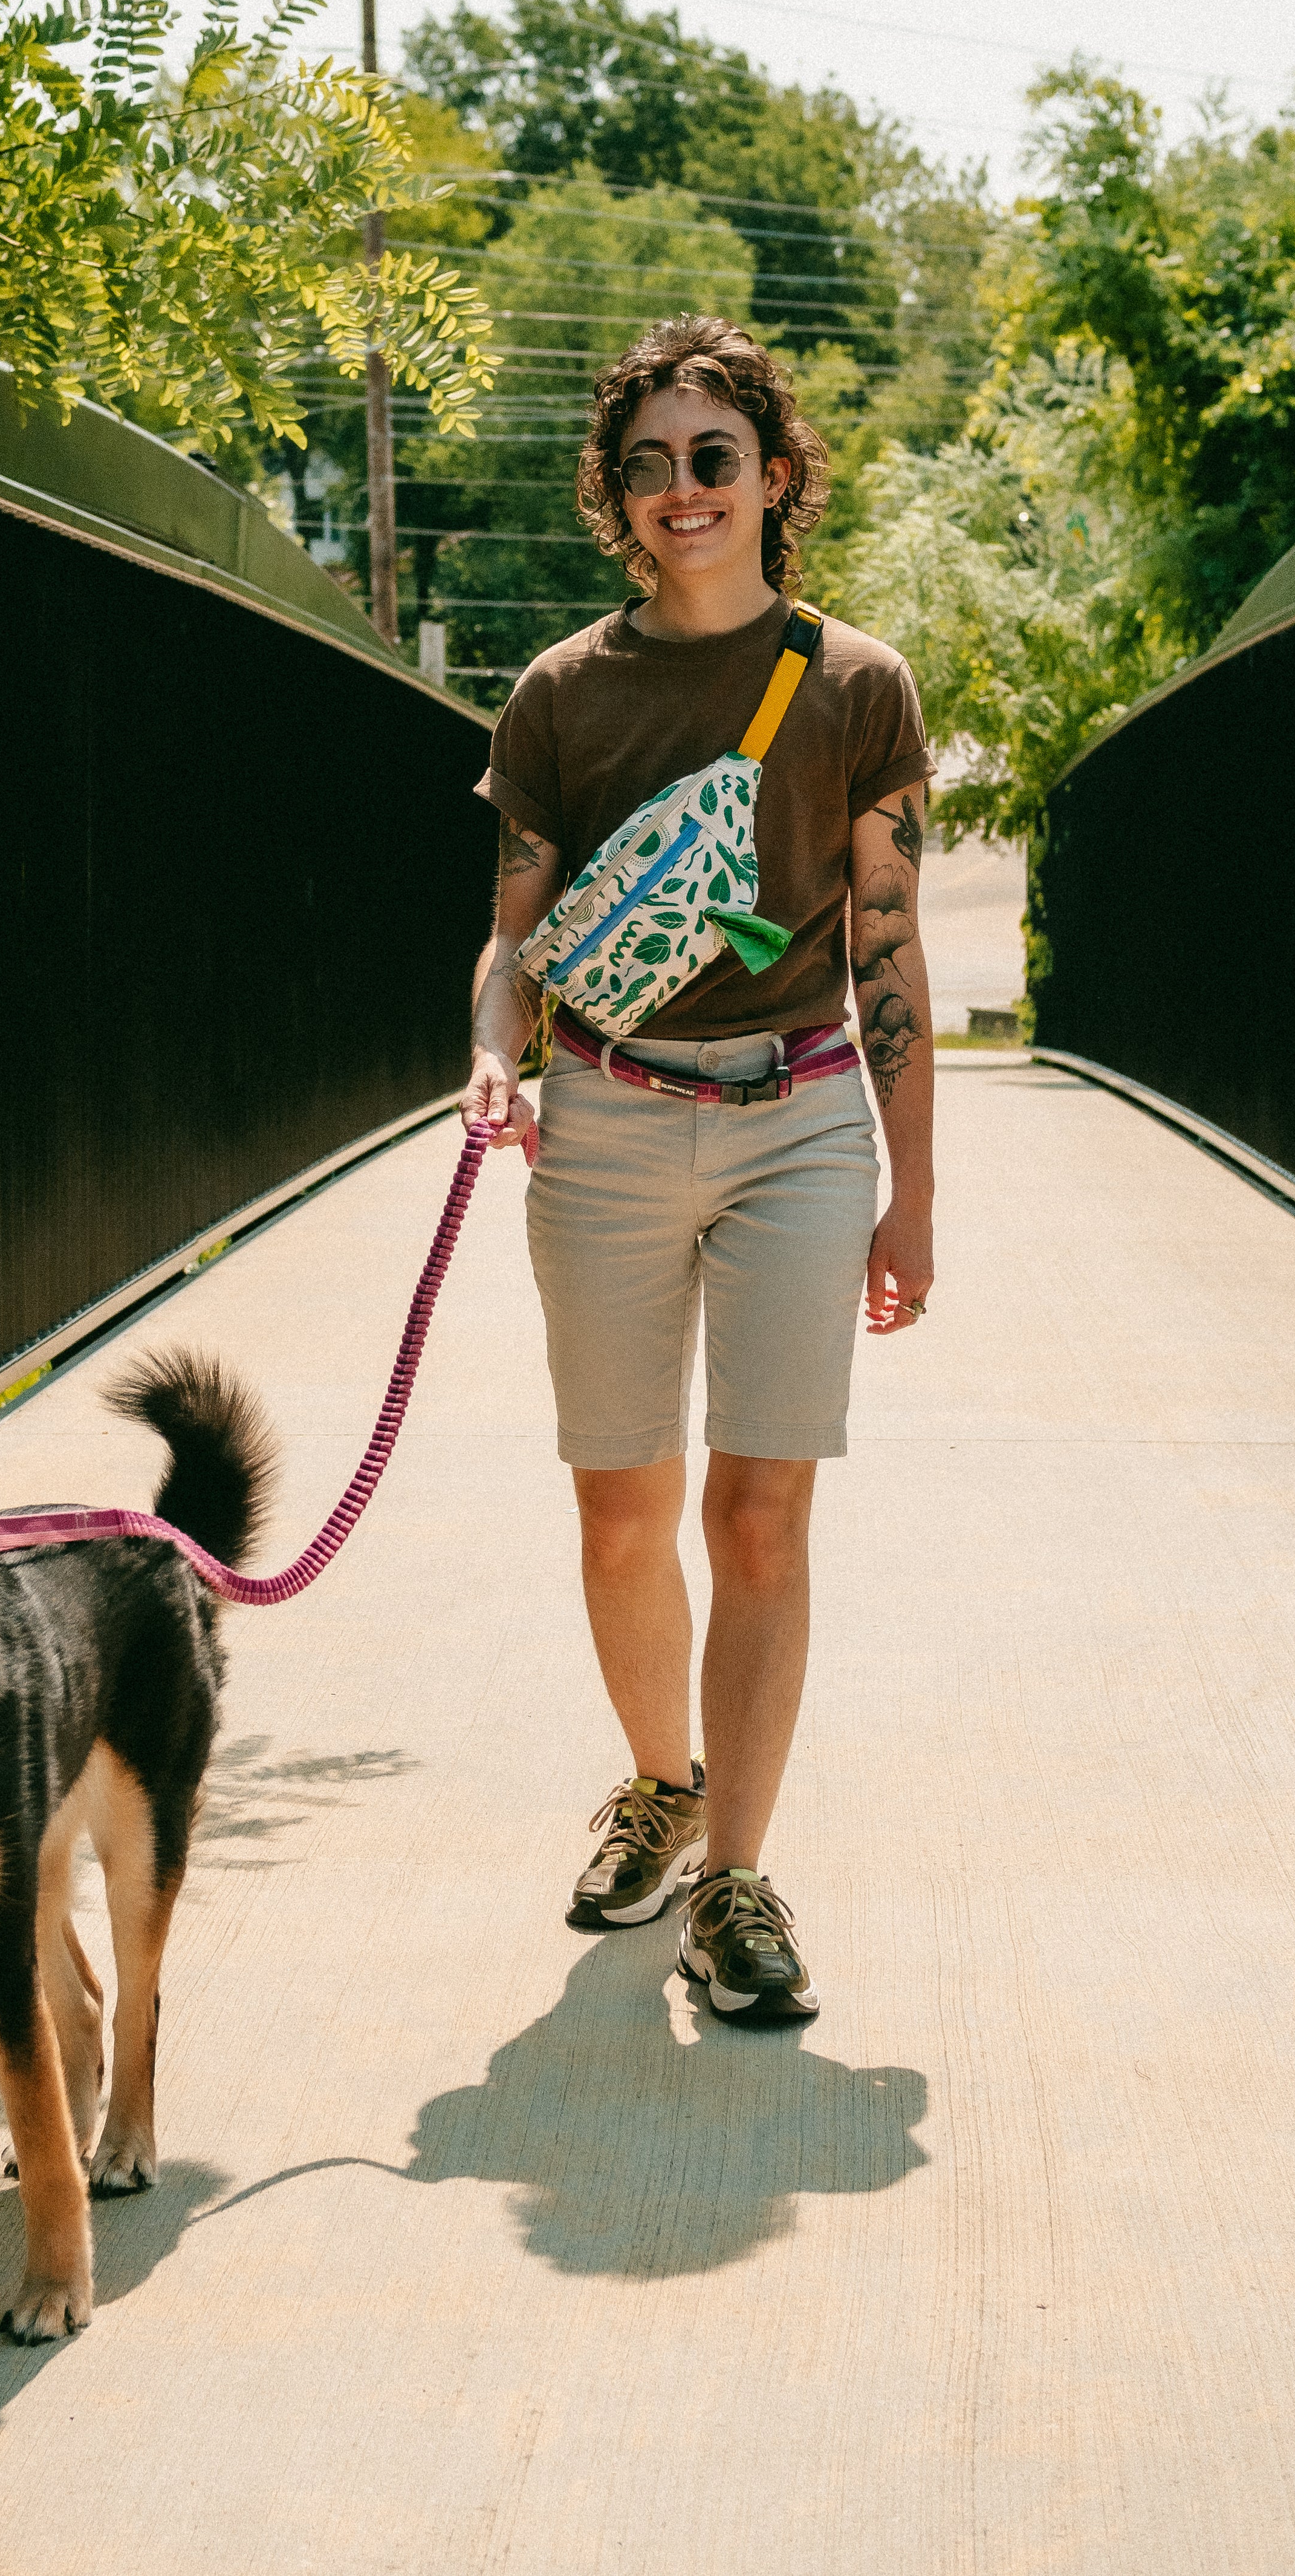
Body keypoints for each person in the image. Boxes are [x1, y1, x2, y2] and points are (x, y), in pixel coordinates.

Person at [462, 314, 934, 2025]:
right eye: (647, 464)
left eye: (713, 459)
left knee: (762, 1509)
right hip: (601, 1119)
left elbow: (886, 949)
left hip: (802, 1121)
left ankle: (736, 1875)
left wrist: (913, 1189)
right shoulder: (563, 695)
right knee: (622, 1504)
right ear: (615, 495)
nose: (683, 491)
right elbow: (513, 942)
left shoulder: (858, 684)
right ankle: (661, 1784)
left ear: (776, 478)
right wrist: (491, 1053)